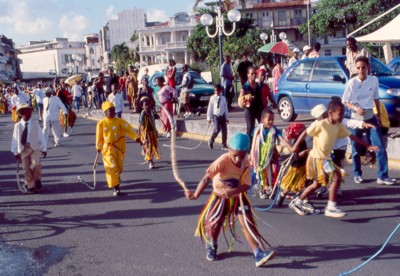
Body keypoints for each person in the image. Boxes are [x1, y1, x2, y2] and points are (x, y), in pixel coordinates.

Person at [185, 132, 275, 267]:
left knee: (248, 223)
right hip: (220, 197)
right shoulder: (222, 160)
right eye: (235, 155)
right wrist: (196, 195)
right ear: (229, 150)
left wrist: (234, 191)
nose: (238, 159)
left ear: (246, 153)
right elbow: (206, 177)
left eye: (242, 155)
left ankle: (257, 253)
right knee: (216, 223)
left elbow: (246, 185)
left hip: (238, 196)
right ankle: (212, 245)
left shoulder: (246, 163)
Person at [289, 100, 378, 218]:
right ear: (330, 113)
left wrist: (367, 146)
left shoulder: (338, 126)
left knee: (316, 184)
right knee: (336, 176)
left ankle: (298, 201)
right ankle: (330, 207)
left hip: (324, 157)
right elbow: (306, 132)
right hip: (317, 157)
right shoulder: (321, 124)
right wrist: (295, 146)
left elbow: (351, 136)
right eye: (340, 113)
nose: (342, 116)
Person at [342, 56, 395, 185]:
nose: (361, 70)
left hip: (370, 117)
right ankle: (357, 173)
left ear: (368, 68)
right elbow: (345, 101)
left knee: (380, 147)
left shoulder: (373, 80)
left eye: (363, 67)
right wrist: (356, 108)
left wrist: (378, 116)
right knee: (356, 148)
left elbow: (376, 98)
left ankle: (382, 175)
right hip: (356, 118)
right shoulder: (352, 83)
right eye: (358, 68)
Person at [96, 102, 142, 196]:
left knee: (119, 167)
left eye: (114, 110)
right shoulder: (101, 123)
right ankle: (116, 187)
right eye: (110, 111)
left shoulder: (119, 121)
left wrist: (137, 138)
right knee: (112, 167)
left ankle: (116, 178)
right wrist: (98, 147)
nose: (113, 112)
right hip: (107, 149)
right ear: (105, 112)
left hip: (119, 147)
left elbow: (129, 129)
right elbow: (99, 137)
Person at [249, 109, 293, 199]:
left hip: (271, 155)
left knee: (275, 169)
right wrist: (251, 155)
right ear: (262, 120)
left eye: (272, 119)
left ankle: (273, 188)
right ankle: (263, 189)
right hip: (260, 156)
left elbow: (282, 140)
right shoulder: (257, 130)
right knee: (262, 172)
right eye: (268, 119)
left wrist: (291, 149)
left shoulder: (274, 129)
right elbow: (253, 144)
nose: (271, 121)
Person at [11, 104, 47, 194]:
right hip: (23, 148)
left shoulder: (35, 124)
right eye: (26, 111)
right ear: (21, 113)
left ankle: (37, 180)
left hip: (34, 147)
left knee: (36, 164)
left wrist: (44, 148)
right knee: (25, 167)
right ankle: (30, 185)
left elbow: (41, 136)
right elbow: (14, 139)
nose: (29, 113)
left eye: (30, 111)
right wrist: (15, 151)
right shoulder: (17, 126)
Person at [276, 122, 309, 207]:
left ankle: (305, 199)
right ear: (298, 134)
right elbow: (297, 155)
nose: (305, 132)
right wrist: (307, 151)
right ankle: (282, 195)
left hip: (303, 165)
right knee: (291, 184)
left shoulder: (302, 141)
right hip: (297, 167)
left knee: (305, 182)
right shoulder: (297, 143)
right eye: (303, 131)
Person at [138, 97, 161, 169]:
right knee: (148, 146)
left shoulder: (152, 112)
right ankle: (150, 161)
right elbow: (140, 124)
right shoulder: (142, 114)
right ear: (143, 106)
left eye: (148, 104)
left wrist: (164, 125)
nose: (147, 106)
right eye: (145, 105)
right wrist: (139, 135)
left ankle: (149, 157)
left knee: (153, 146)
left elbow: (158, 118)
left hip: (153, 132)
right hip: (145, 134)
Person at [207, 84, 229, 150]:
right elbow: (210, 108)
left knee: (224, 130)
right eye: (215, 90)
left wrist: (226, 118)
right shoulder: (212, 98)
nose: (216, 92)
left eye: (218, 90)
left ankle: (224, 145)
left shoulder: (223, 98)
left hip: (222, 115)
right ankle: (211, 140)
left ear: (221, 90)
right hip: (216, 116)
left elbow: (225, 109)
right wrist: (209, 118)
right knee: (217, 129)